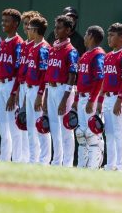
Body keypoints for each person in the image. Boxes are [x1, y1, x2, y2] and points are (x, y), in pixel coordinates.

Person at [98, 22, 122, 172]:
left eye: (112, 35)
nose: (109, 38)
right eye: (109, 35)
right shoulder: (107, 56)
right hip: (108, 97)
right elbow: (104, 80)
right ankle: (111, 164)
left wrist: (119, 101)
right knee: (109, 132)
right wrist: (100, 100)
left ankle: (121, 165)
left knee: (119, 132)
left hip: (120, 97)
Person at [43, 15, 78, 167]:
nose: (55, 30)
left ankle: (68, 163)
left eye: (59, 27)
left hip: (64, 89)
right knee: (54, 128)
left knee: (65, 129)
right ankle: (57, 161)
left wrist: (64, 99)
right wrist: (45, 97)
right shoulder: (52, 48)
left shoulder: (71, 50)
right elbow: (48, 73)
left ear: (68, 30)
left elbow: (72, 75)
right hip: (51, 88)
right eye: (55, 26)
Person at [72, 25, 105, 169]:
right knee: (81, 133)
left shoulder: (98, 54)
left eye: (86, 34)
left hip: (92, 97)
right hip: (82, 97)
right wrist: (76, 99)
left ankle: (93, 166)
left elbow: (99, 79)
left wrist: (92, 100)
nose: (84, 37)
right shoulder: (85, 55)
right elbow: (80, 81)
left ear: (91, 36)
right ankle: (82, 165)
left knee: (92, 134)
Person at [0, 8, 24, 162]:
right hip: (1, 84)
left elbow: (20, 70)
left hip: (12, 83)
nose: (3, 23)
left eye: (7, 21)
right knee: (3, 126)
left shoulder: (18, 43)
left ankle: (17, 160)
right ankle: (4, 160)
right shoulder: (3, 42)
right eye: (3, 20)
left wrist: (14, 93)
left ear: (15, 23)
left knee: (14, 128)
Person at [13, 10, 41, 163]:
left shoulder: (40, 46)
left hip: (36, 87)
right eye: (25, 24)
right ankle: (24, 159)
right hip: (23, 85)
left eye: (29, 24)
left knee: (35, 126)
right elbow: (20, 70)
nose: (26, 27)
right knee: (23, 124)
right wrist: (17, 89)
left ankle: (35, 159)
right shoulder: (24, 45)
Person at [24, 16, 52, 165]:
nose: (27, 30)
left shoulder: (43, 48)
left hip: (37, 91)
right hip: (29, 89)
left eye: (29, 28)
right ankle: (33, 159)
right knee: (30, 128)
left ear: (35, 30)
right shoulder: (32, 47)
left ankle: (44, 160)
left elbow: (44, 75)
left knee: (40, 126)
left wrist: (40, 95)